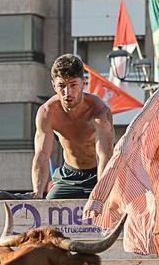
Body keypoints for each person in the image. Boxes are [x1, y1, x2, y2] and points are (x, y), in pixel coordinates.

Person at [32, 54, 115, 199]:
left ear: (83, 83)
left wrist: (101, 195)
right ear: (53, 85)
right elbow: (42, 155)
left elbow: (105, 155)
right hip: (69, 175)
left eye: (73, 85)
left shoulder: (99, 112)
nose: (67, 93)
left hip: (98, 173)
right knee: (49, 206)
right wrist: (38, 193)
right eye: (62, 86)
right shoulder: (47, 113)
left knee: (108, 209)